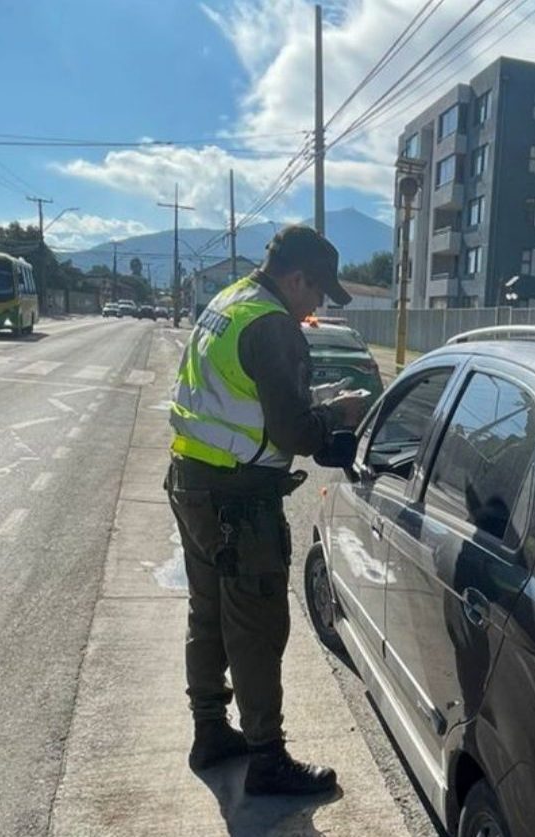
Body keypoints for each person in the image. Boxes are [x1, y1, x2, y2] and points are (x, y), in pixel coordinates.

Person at [165, 224, 367, 796]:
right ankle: (267, 760)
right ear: (296, 277)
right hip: (238, 498)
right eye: (318, 290)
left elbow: (245, 401)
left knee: (207, 613)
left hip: (193, 481)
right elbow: (293, 431)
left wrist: (316, 408)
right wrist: (339, 417)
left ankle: (210, 732)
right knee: (255, 627)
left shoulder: (229, 302)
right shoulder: (273, 324)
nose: (319, 304)